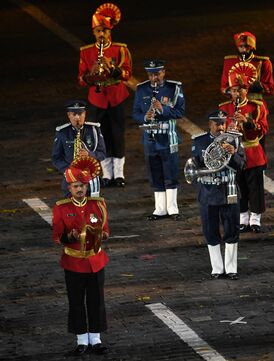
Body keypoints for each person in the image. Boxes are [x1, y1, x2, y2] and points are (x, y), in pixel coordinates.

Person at [52, 159, 110, 355]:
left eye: (83, 186)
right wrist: (70, 236)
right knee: (76, 302)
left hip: (96, 262)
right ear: (69, 187)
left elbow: (105, 229)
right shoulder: (61, 208)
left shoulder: (99, 204)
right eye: (76, 186)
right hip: (74, 264)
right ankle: (81, 340)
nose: (80, 189)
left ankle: (95, 338)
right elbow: (57, 236)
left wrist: (103, 235)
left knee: (96, 301)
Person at [78, 3, 132, 187]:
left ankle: (119, 174)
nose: (102, 35)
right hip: (97, 99)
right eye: (99, 31)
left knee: (117, 134)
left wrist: (113, 69)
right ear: (94, 32)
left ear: (110, 32)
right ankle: (107, 174)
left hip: (116, 96)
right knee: (101, 136)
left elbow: (127, 73)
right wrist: (92, 73)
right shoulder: (86, 52)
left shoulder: (120, 49)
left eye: (105, 31)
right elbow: (81, 79)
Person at [190, 111, 246, 280]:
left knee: (232, 230)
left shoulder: (235, 139)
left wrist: (232, 154)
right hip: (208, 192)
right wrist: (210, 154)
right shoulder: (199, 141)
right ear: (210, 125)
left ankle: (231, 268)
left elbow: (242, 165)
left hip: (229, 191)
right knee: (210, 231)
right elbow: (196, 164)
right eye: (217, 124)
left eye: (223, 123)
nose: (221, 127)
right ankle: (217, 268)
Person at [133, 60, 185, 221]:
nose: (153, 77)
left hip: (169, 138)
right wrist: (144, 117)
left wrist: (163, 109)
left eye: (157, 74)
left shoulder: (174, 88)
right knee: (155, 172)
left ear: (163, 72)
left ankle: (172, 207)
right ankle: (160, 208)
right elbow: (135, 112)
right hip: (150, 139)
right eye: (150, 74)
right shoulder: (141, 89)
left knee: (170, 172)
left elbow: (180, 112)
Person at [219, 62, 269, 233]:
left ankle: (255, 219)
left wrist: (247, 122)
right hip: (233, 154)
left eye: (240, 89)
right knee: (238, 186)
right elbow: (217, 131)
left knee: (255, 187)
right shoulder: (224, 109)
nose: (236, 93)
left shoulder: (257, 107)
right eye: (233, 90)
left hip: (252, 152)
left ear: (246, 90)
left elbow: (263, 129)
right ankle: (243, 217)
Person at [52, 100, 106, 197]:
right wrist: (67, 171)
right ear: (69, 115)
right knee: (71, 210)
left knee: (92, 210)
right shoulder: (62, 132)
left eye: (80, 114)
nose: (77, 117)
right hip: (70, 181)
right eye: (74, 114)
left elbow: (102, 154)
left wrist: (89, 154)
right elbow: (56, 158)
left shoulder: (94, 130)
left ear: (85, 114)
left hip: (91, 181)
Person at [220, 31, 274, 106]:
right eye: (241, 46)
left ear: (252, 47)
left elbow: (270, 88)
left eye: (246, 46)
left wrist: (254, 86)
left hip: (255, 104)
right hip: (235, 104)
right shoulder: (229, 62)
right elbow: (224, 87)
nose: (244, 50)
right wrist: (234, 91)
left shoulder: (263, 62)